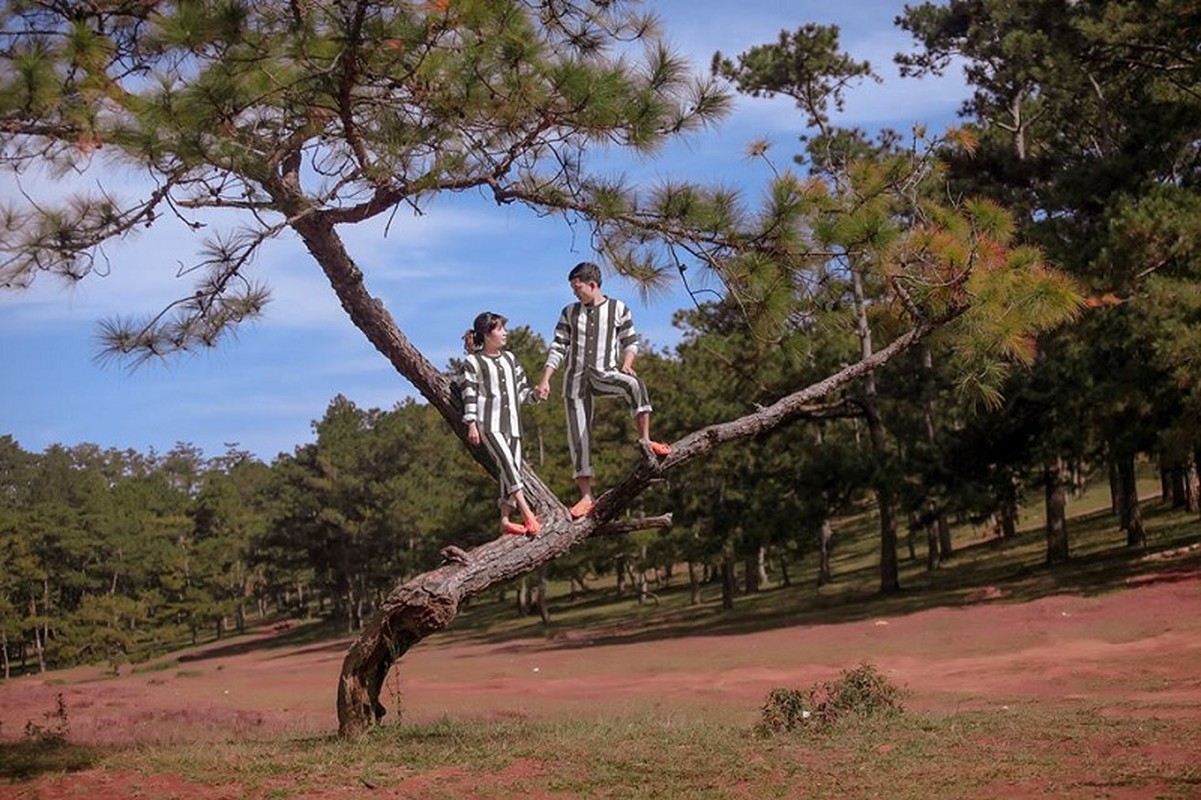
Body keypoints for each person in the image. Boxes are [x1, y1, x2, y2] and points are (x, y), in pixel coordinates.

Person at [534, 261, 672, 519]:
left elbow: (630, 342)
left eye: (578, 288)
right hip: (575, 381)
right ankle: (586, 496)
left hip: (604, 373)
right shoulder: (569, 312)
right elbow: (558, 348)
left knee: (635, 384)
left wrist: (627, 365)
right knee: (578, 436)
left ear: (592, 285)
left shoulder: (618, 308)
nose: (575, 292)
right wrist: (545, 380)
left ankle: (645, 440)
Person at [460, 311, 542, 536]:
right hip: (490, 425)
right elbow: (469, 394)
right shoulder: (473, 362)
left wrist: (536, 394)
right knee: (508, 466)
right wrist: (472, 424)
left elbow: (522, 391)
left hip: (513, 426)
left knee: (510, 471)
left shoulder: (510, 359)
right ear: (487, 334)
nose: (505, 333)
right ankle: (527, 514)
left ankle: (505, 520)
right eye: (500, 329)